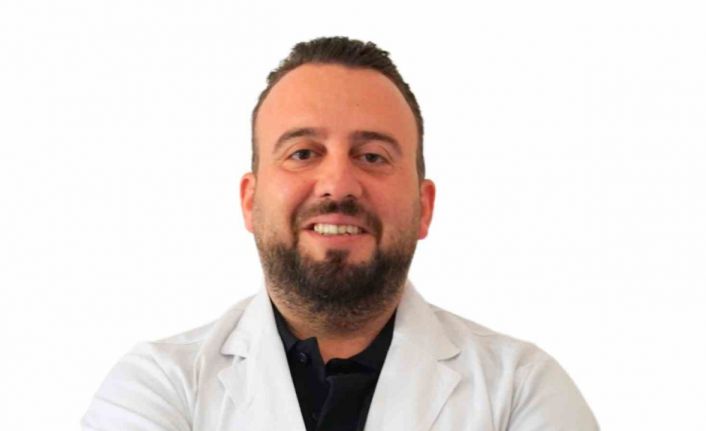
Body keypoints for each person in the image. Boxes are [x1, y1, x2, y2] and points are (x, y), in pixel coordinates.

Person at [82, 36, 599, 431]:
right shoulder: (157, 387)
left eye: (372, 156)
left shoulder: (522, 390)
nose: (338, 184)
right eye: (302, 153)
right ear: (250, 201)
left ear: (424, 207)